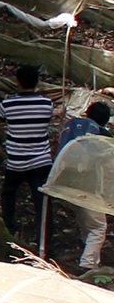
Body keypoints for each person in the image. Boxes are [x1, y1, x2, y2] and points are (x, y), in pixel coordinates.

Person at [0, 64, 57, 240]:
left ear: (17, 82)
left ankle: (9, 228)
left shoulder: (7, 104)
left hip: (16, 161)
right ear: (37, 82)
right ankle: (44, 237)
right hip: (41, 160)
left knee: (8, 193)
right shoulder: (46, 104)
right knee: (42, 200)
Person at [61, 101, 113, 271]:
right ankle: (87, 265)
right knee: (99, 227)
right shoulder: (104, 136)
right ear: (106, 120)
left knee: (88, 224)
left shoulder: (72, 128)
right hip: (88, 188)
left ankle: (94, 260)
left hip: (62, 185)